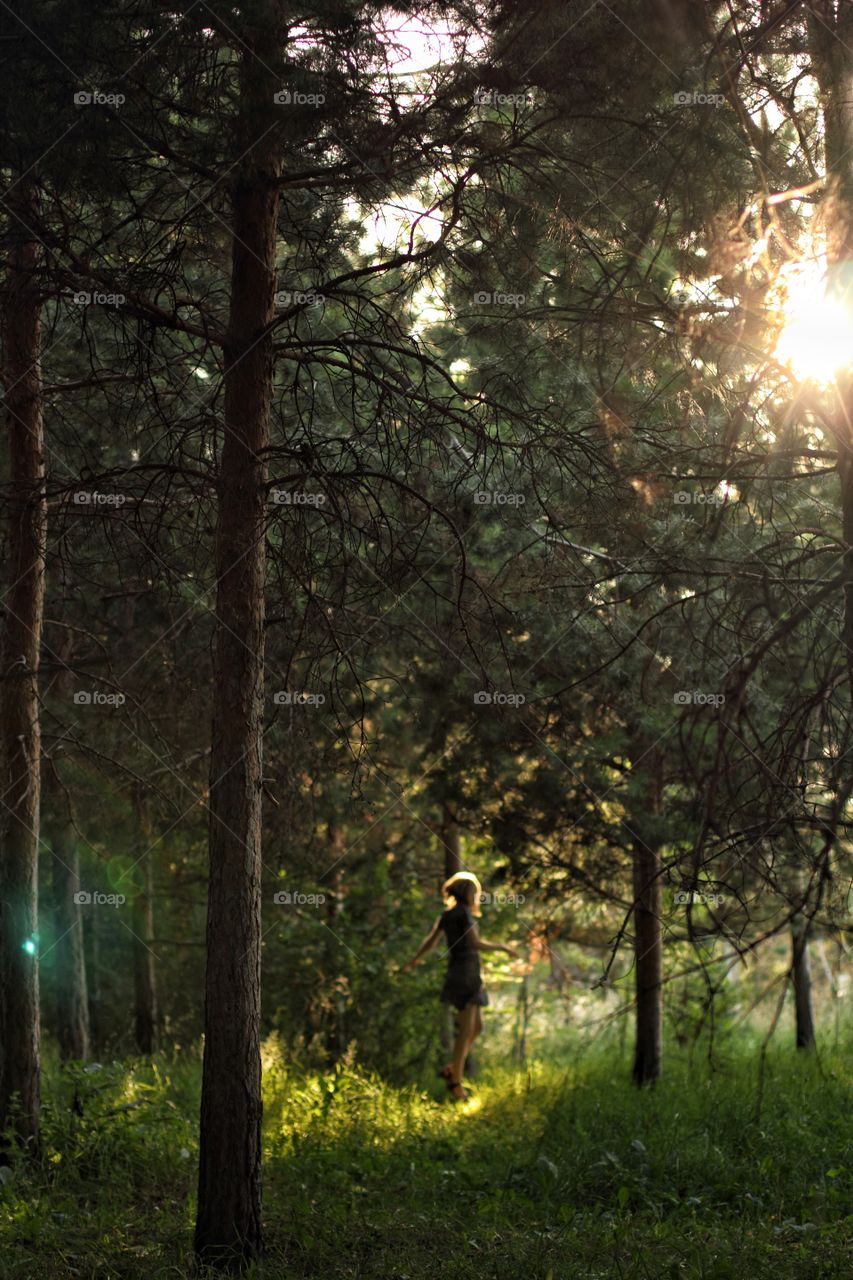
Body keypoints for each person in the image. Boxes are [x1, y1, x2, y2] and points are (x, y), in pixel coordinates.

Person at [403, 871, 519, 1100]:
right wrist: (503, 948)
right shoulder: (464, 914)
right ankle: (456, 1085)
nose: (477, 896)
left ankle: (451, 1068)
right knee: (466, 1031)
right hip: (466, 976)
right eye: (475, 892)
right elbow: (474, 943)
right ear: (467, 893)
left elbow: (430, 940)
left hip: (461, 974)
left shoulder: (447, 915)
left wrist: (415, 959)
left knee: (476, 1029)